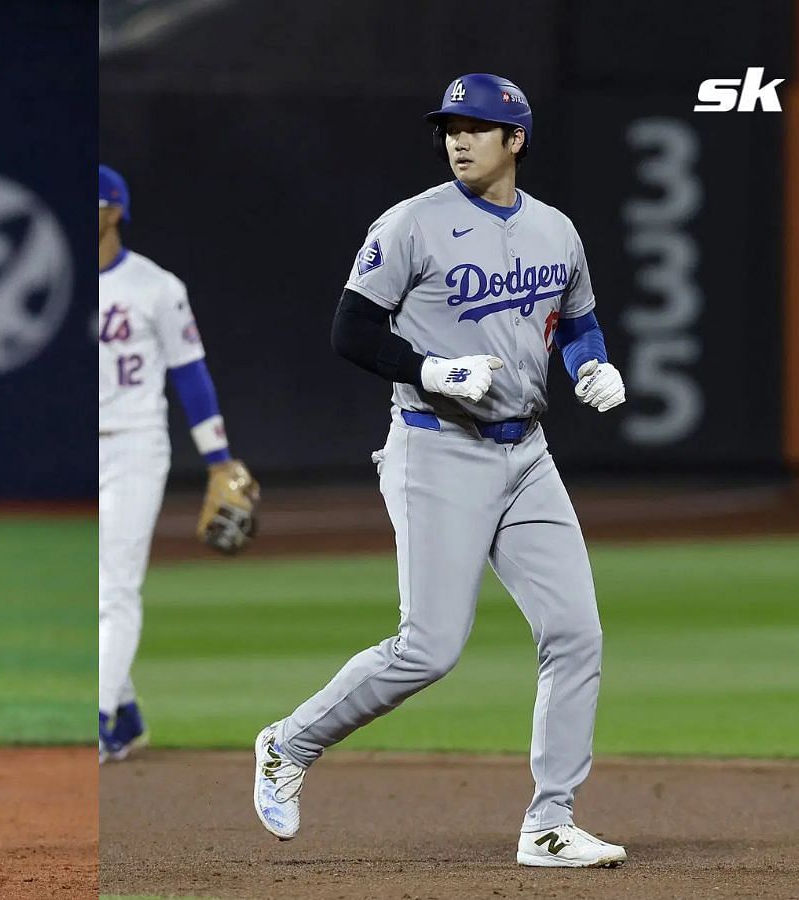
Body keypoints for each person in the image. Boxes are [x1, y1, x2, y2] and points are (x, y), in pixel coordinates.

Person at [250, 74, 629, 869]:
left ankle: (550, 822)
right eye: (450, 126)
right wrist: (428, 369)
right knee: (430, 647)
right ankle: (289, 743)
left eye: (477, 127)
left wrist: (593, 365)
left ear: (515, 139)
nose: (458, 139)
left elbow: (579, 320)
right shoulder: (413, 223)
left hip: (527, 454)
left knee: (576, 633)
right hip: (435, 445)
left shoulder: (556, 231)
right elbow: (350, 330)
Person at [98, 164, 258, 763]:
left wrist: (218, 460)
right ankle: (127, 715)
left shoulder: (156, 287)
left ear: (113, 211)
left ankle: (98, 715)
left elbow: (190, 374)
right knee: (95, 589)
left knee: (116, 587)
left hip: (134, 444)